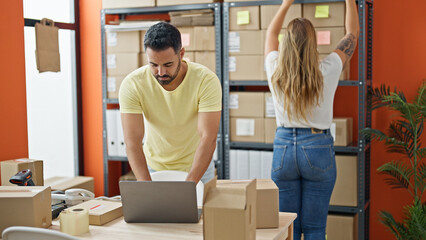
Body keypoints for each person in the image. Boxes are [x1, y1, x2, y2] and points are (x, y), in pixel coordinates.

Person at [264, 0, 359, 239]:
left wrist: (286, 4)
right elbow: (352, 34)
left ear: (286, 44)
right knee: (315, 228)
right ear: (313, 43)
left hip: (283, 148)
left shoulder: (274, 67)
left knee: (288, 227)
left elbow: (270, 33)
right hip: (317, 147)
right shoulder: (328, 69)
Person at [119, 22, 222, 184]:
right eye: (153, 65)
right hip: (155, 167)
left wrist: (189, 185)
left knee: (199, 210)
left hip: (198, 166)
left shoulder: (206, 81)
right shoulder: (132, 84)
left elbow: (208, 138)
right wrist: (146, 186)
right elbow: (132, 142)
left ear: (181, 54)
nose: (161, 73)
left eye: (168, 65)